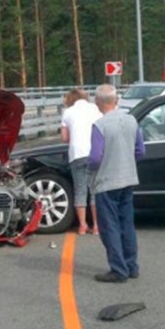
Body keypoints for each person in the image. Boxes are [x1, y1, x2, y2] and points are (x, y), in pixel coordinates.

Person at [87, 84, 145, 283]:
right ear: (116, 100)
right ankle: (131, 266)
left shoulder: (99, 126)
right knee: (126, 224)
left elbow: (95, 158)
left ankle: (118, 270)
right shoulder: (132, 120)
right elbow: (140, 151)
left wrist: (89, 169)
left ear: (97, 103)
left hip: (107, 182)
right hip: (128, 178)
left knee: (109, 226)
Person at [60, 88, 102, 235]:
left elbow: (65, 138)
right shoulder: (95, 109)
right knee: (95, 190)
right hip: (95, 153)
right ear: (86, 97)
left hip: (77, 154)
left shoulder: (68, 112)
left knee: (80, 190)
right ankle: (96, 226)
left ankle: (83, 226)